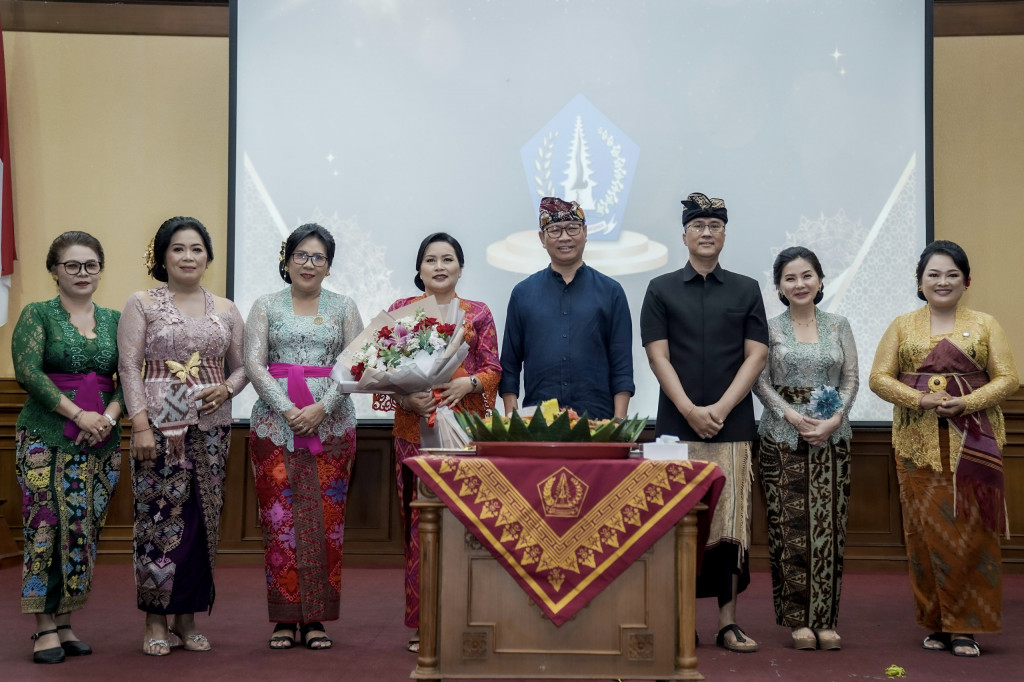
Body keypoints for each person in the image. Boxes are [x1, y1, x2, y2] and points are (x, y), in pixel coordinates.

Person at [869, 240, 1017, 658]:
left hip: (975, 446)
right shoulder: (902, 325)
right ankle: (936, 623)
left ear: (966, 280)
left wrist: (966, 402)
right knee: (925, 538)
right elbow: (879, 378)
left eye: (952, 274)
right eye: (933, 274)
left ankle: (966, 627)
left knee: (972, 535)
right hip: (917, 447)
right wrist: (921, 399)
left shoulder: (986, 324)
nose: (943, 281)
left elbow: (1007, 378)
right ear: (920, 282)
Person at [640, 191, 768, 653]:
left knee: (730, 523)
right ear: (685, 234)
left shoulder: (746, 288)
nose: (707, 233)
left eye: (715, 226)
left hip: (733, 426)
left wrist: (722, 408)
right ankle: (680, 618)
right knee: (679, 523)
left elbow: (757, 353)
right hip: (676, 425)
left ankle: (728, 622)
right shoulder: (661, 289)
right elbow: (658, 356)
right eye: (699, 226)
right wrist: (692, 410)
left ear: (725, 234)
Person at [117, 216, 247, 656]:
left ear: (208, 256)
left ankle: (187, 616)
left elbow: (245, 365)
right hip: (157, 425)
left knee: (201, 522)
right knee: (158, 521)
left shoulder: (226, 309)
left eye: (196, 248)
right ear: (162, 256)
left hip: (211, 426)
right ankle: (155, 619)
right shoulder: (142, 303)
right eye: (178, 248)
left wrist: (227, 387)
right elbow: (128, 366)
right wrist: (138, 426)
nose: (188, 256)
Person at [373, 232, 500, 652]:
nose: (440, 266)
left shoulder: (477, 314)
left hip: (463, 433)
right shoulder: (399, 312)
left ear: (461, 267)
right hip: (413, 431)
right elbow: (377, 373)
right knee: (419, 525)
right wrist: (406, 395)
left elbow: (493, 368)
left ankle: (466, 616)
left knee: (467, 524)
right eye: (431, 259)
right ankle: (423, 621)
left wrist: (467, 383)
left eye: (448, 259)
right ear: (419, 268)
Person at [244, 223, 364, 650]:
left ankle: (315, 619)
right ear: (287, 259)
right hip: (274, 428)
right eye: (301, 255)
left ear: (329, 266)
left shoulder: (345, 307)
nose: (308, 264)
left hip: (331, 427)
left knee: (327, 525)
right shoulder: (265, 306)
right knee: (280, 524)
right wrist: (289, 409)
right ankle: (283, 618)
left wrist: (321, 408)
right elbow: (254, 365)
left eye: (318, 258)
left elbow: (354, 364)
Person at [12, 232, 123, 664]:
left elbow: (129, 376)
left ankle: (65, 621)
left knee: (82, 531)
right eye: (72, 265)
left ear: (100, 269)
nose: (82, 273)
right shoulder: (37, 314)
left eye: (91, 264)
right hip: (45, 435)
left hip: (101, 440)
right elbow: (28, 373)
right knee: (46, 525)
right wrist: (78, 415)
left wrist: (108, 419)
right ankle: (42, 625)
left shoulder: (115, 318)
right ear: (54, 270)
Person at [752, 246, 858, 651]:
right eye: (790, 278)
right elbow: (760, 381)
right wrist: (793, 418)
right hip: (782, 437)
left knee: (830, 529)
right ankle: (798, 621)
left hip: (833, 438)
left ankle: (825, 619)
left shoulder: (839, 324)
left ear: (820, 280)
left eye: (807, 275)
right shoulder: (770, 327)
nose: (800, 284)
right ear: (779, 285)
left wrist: (832, 421)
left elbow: (850, 379)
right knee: (789, 529)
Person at [499, 197, 634, 419]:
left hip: (597, 421)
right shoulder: (522, 293)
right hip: (537, 421)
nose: (565, 237)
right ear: (542, 238)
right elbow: (510, 366)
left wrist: (618, 424)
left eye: (573, 228)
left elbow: (622, 365)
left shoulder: (611, 291)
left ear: (585, 232)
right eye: (554, 230)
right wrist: (513, 424)